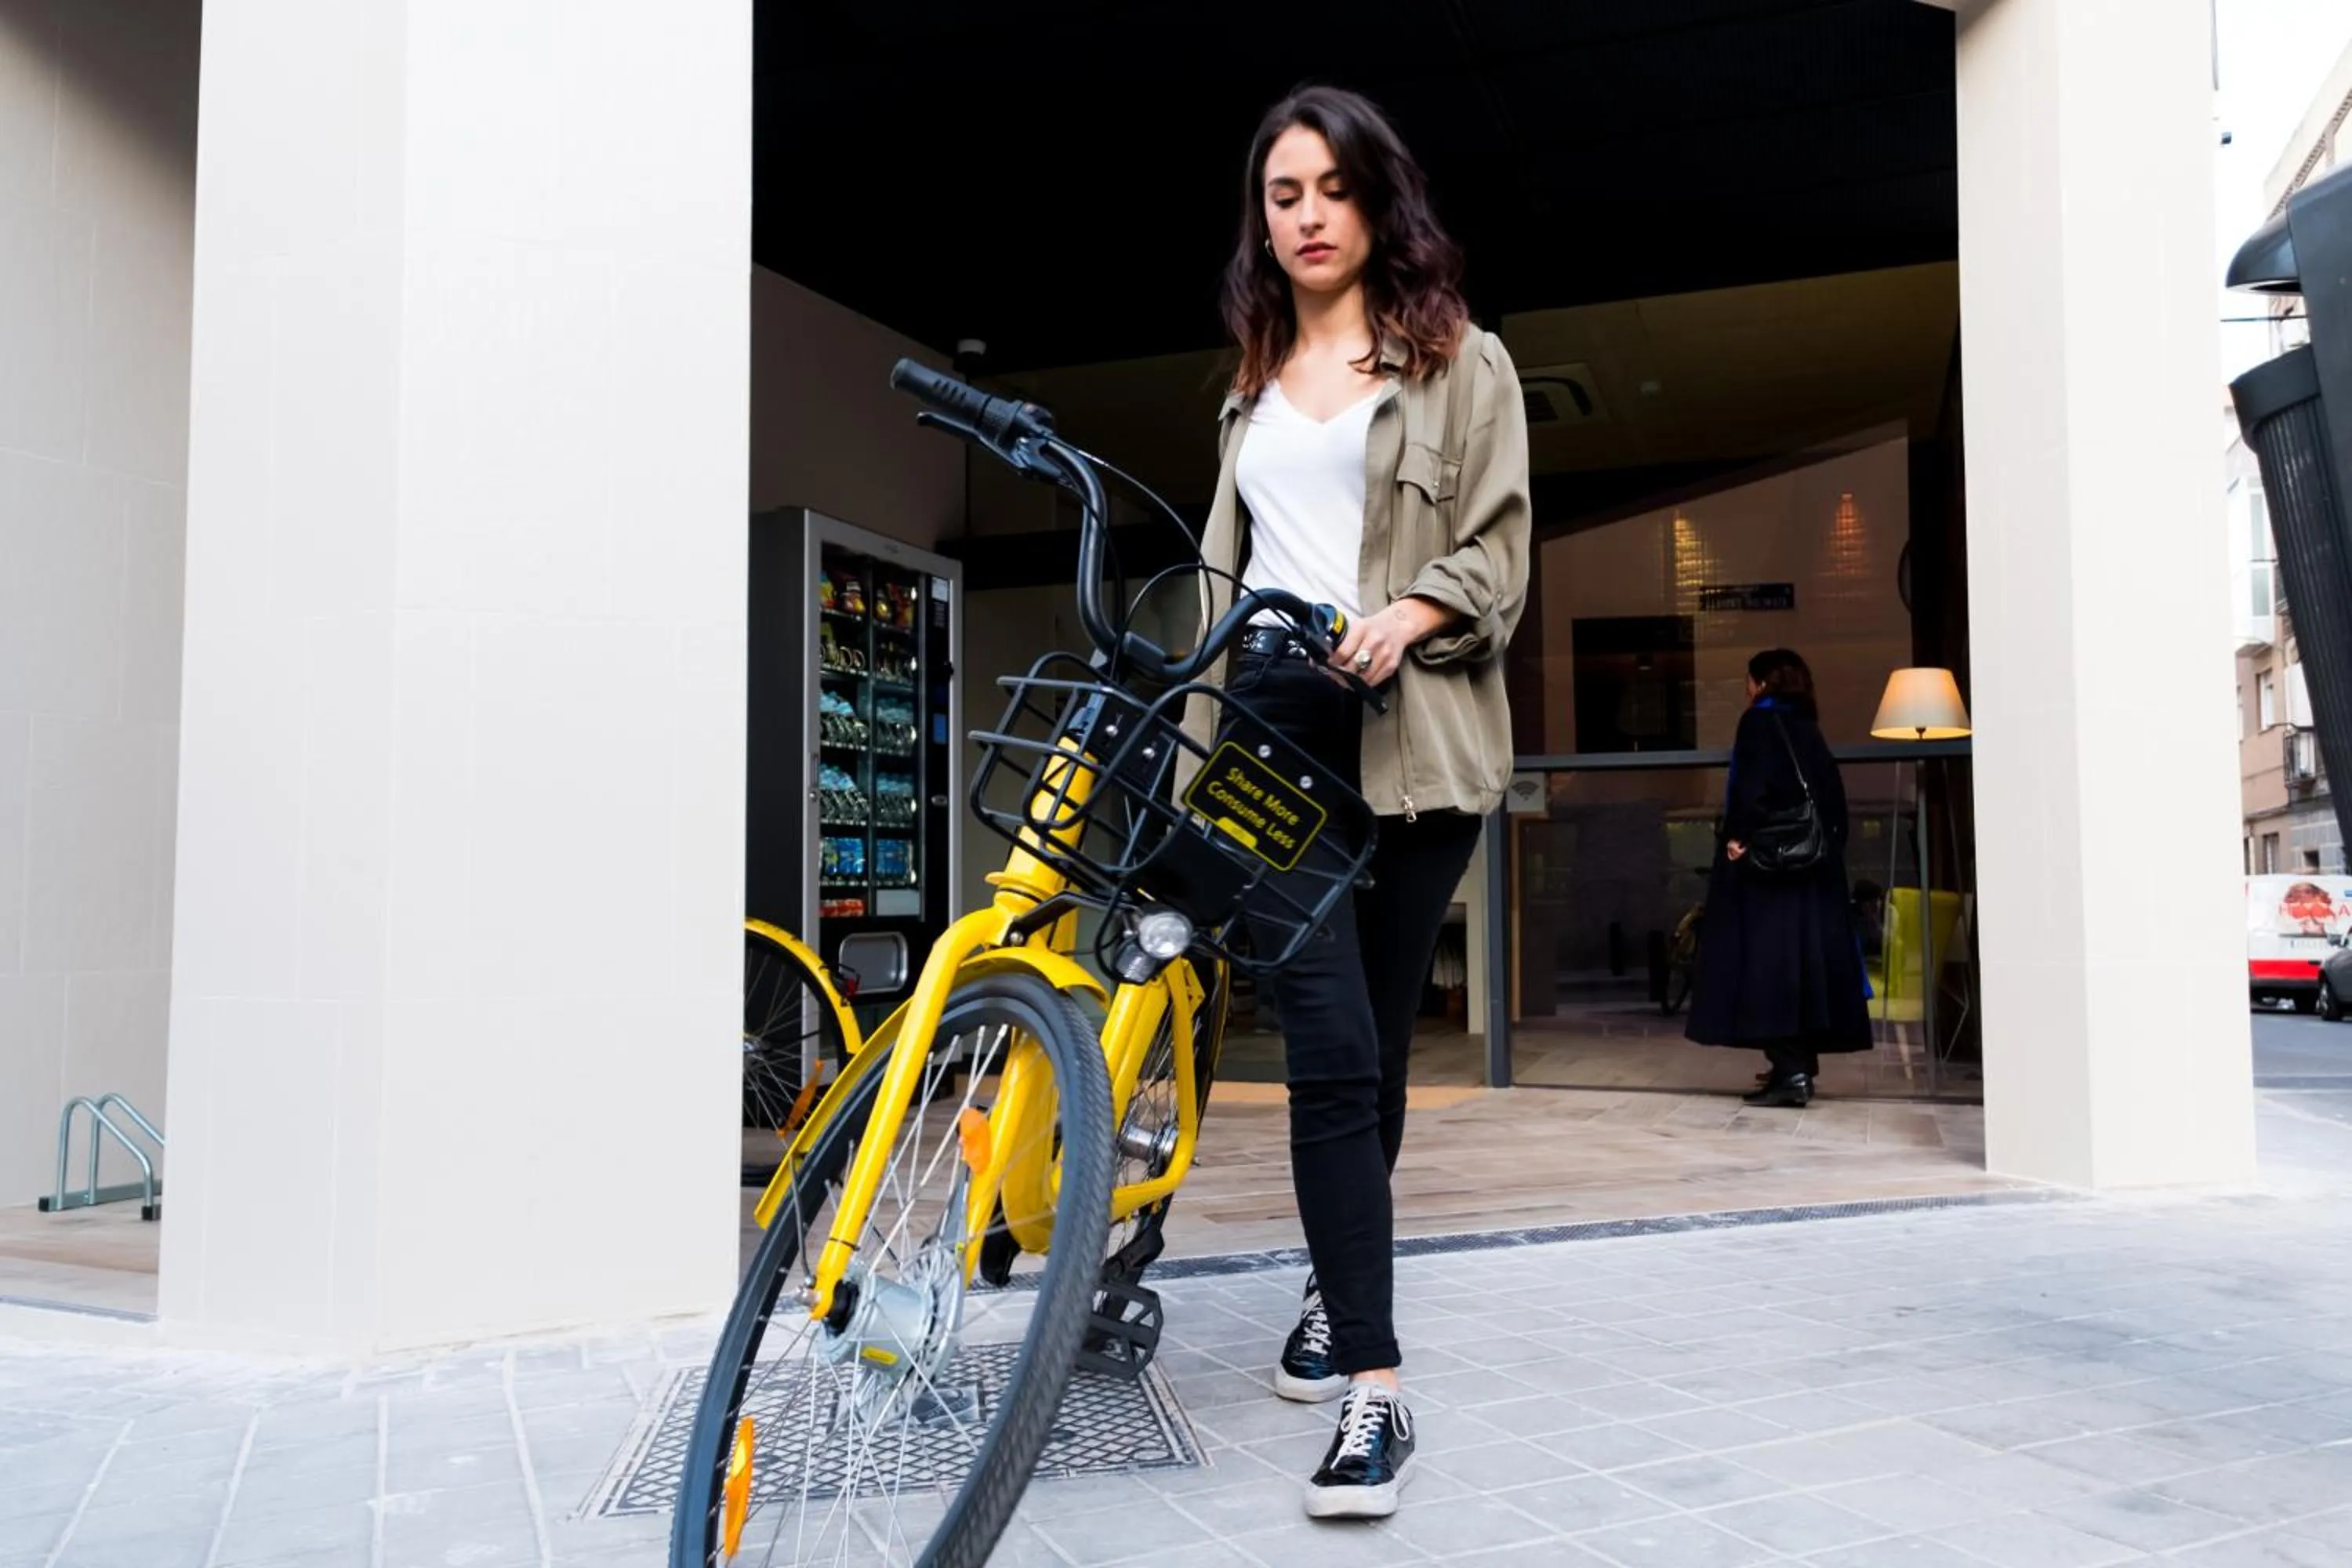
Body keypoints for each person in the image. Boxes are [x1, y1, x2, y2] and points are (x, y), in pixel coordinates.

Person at [1194, 83, 1529, 1520]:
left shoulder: (1465, 365)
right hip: (1273, 723)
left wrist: (1411, 610)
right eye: (1284, 194)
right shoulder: (1249, 383)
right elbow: (1231, 557)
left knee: (1378, 1047)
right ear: (1262, 220)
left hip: (1410, 728)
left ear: (1379, 199)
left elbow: (1501, 558)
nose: (1309, 214)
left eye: (1332, 187)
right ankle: (1375, 1393)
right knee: (1327, 1046)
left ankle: (1335, 1300)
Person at [1685, 649, 1872, 1105]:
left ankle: (1790, 1075)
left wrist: (1737, 838)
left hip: (1771, 872)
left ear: (1761, 683)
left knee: (1767, 966)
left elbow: (1751, 787)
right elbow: (1832, 799)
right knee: (1805, 968)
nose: (1747, 690)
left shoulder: (1760, 723)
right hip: (1813, 870)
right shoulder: (1808, 727)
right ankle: (1797, 1067)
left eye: (1748, 681)